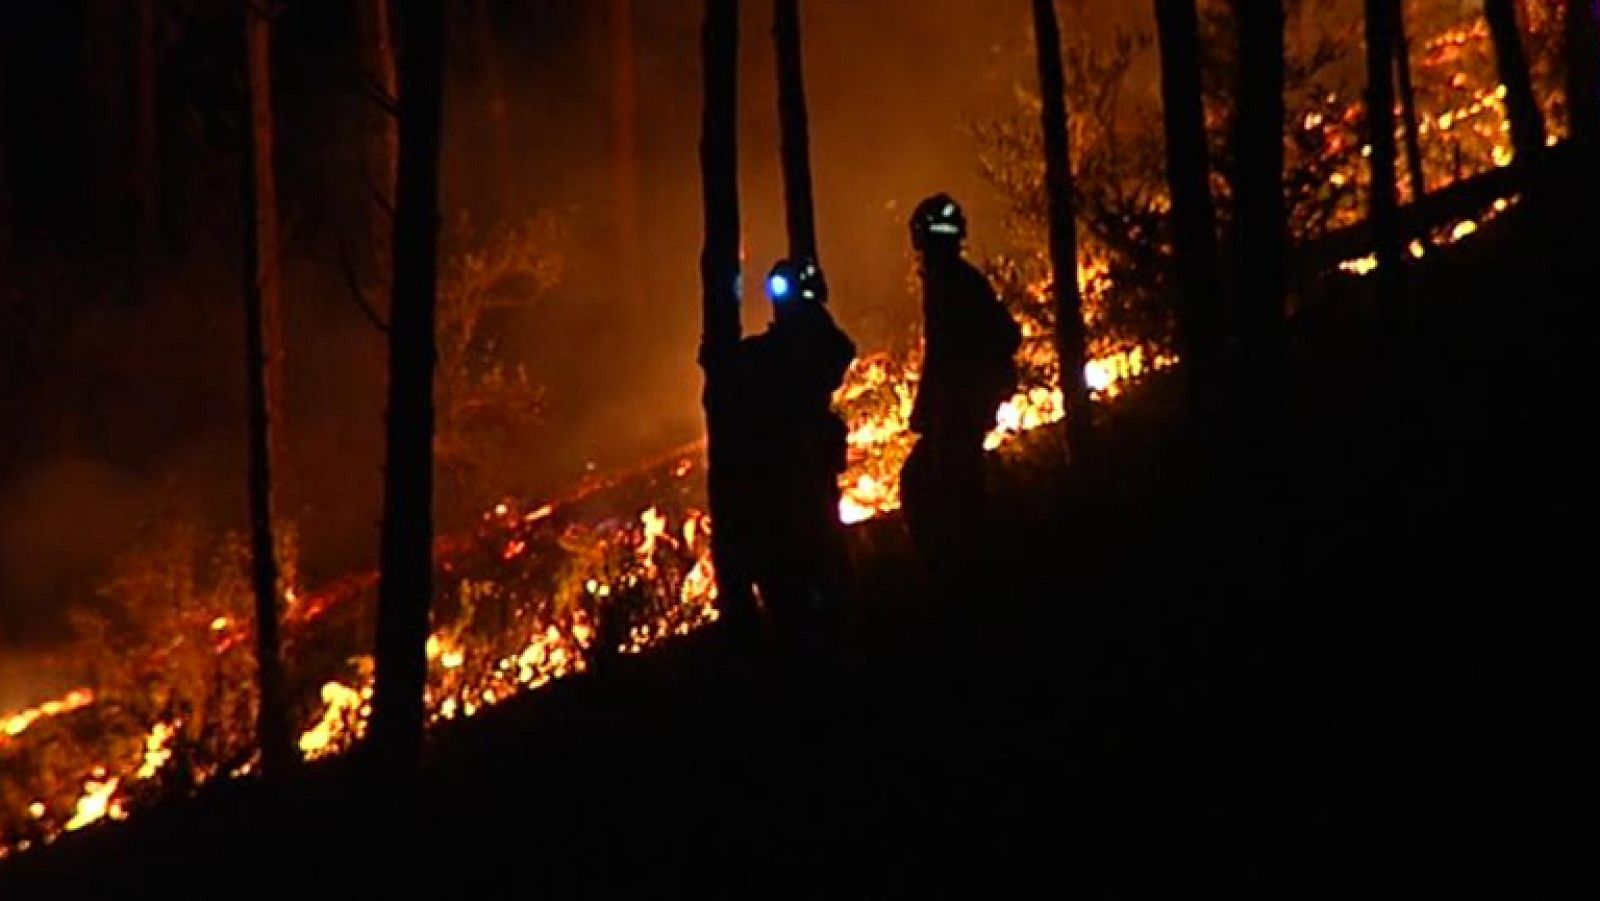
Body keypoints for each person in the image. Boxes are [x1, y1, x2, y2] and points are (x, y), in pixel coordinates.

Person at [704, 256, 856, 650]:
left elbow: (824, 353)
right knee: (807, 584)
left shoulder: (804, 348)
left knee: (798, 588)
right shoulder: (796, 348)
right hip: (795, 487)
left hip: (794, 489)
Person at [901, 194, 1021, 573]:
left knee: (942, 486)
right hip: (960, 405)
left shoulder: (954, 284)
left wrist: (947, 403)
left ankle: (962, 572)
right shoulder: (954, 280)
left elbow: (951, 352)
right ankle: (968, 565)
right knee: (943, 482)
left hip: (960, 408)